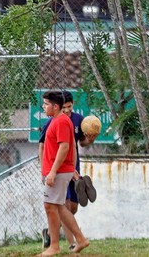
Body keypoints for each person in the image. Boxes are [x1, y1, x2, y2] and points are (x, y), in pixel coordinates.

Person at [39, 91, 98, 250]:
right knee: (59, 206)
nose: (43, 107)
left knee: (59, 206)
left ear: (54, 106)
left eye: (45, 104)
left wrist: (57, 170)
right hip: (62, 169)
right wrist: (45, 169)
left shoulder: (65, 121)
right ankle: (74, 241)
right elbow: (45, 145)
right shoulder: (54, 122)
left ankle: (56, 243)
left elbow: (67, 146)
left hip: (59, 170)